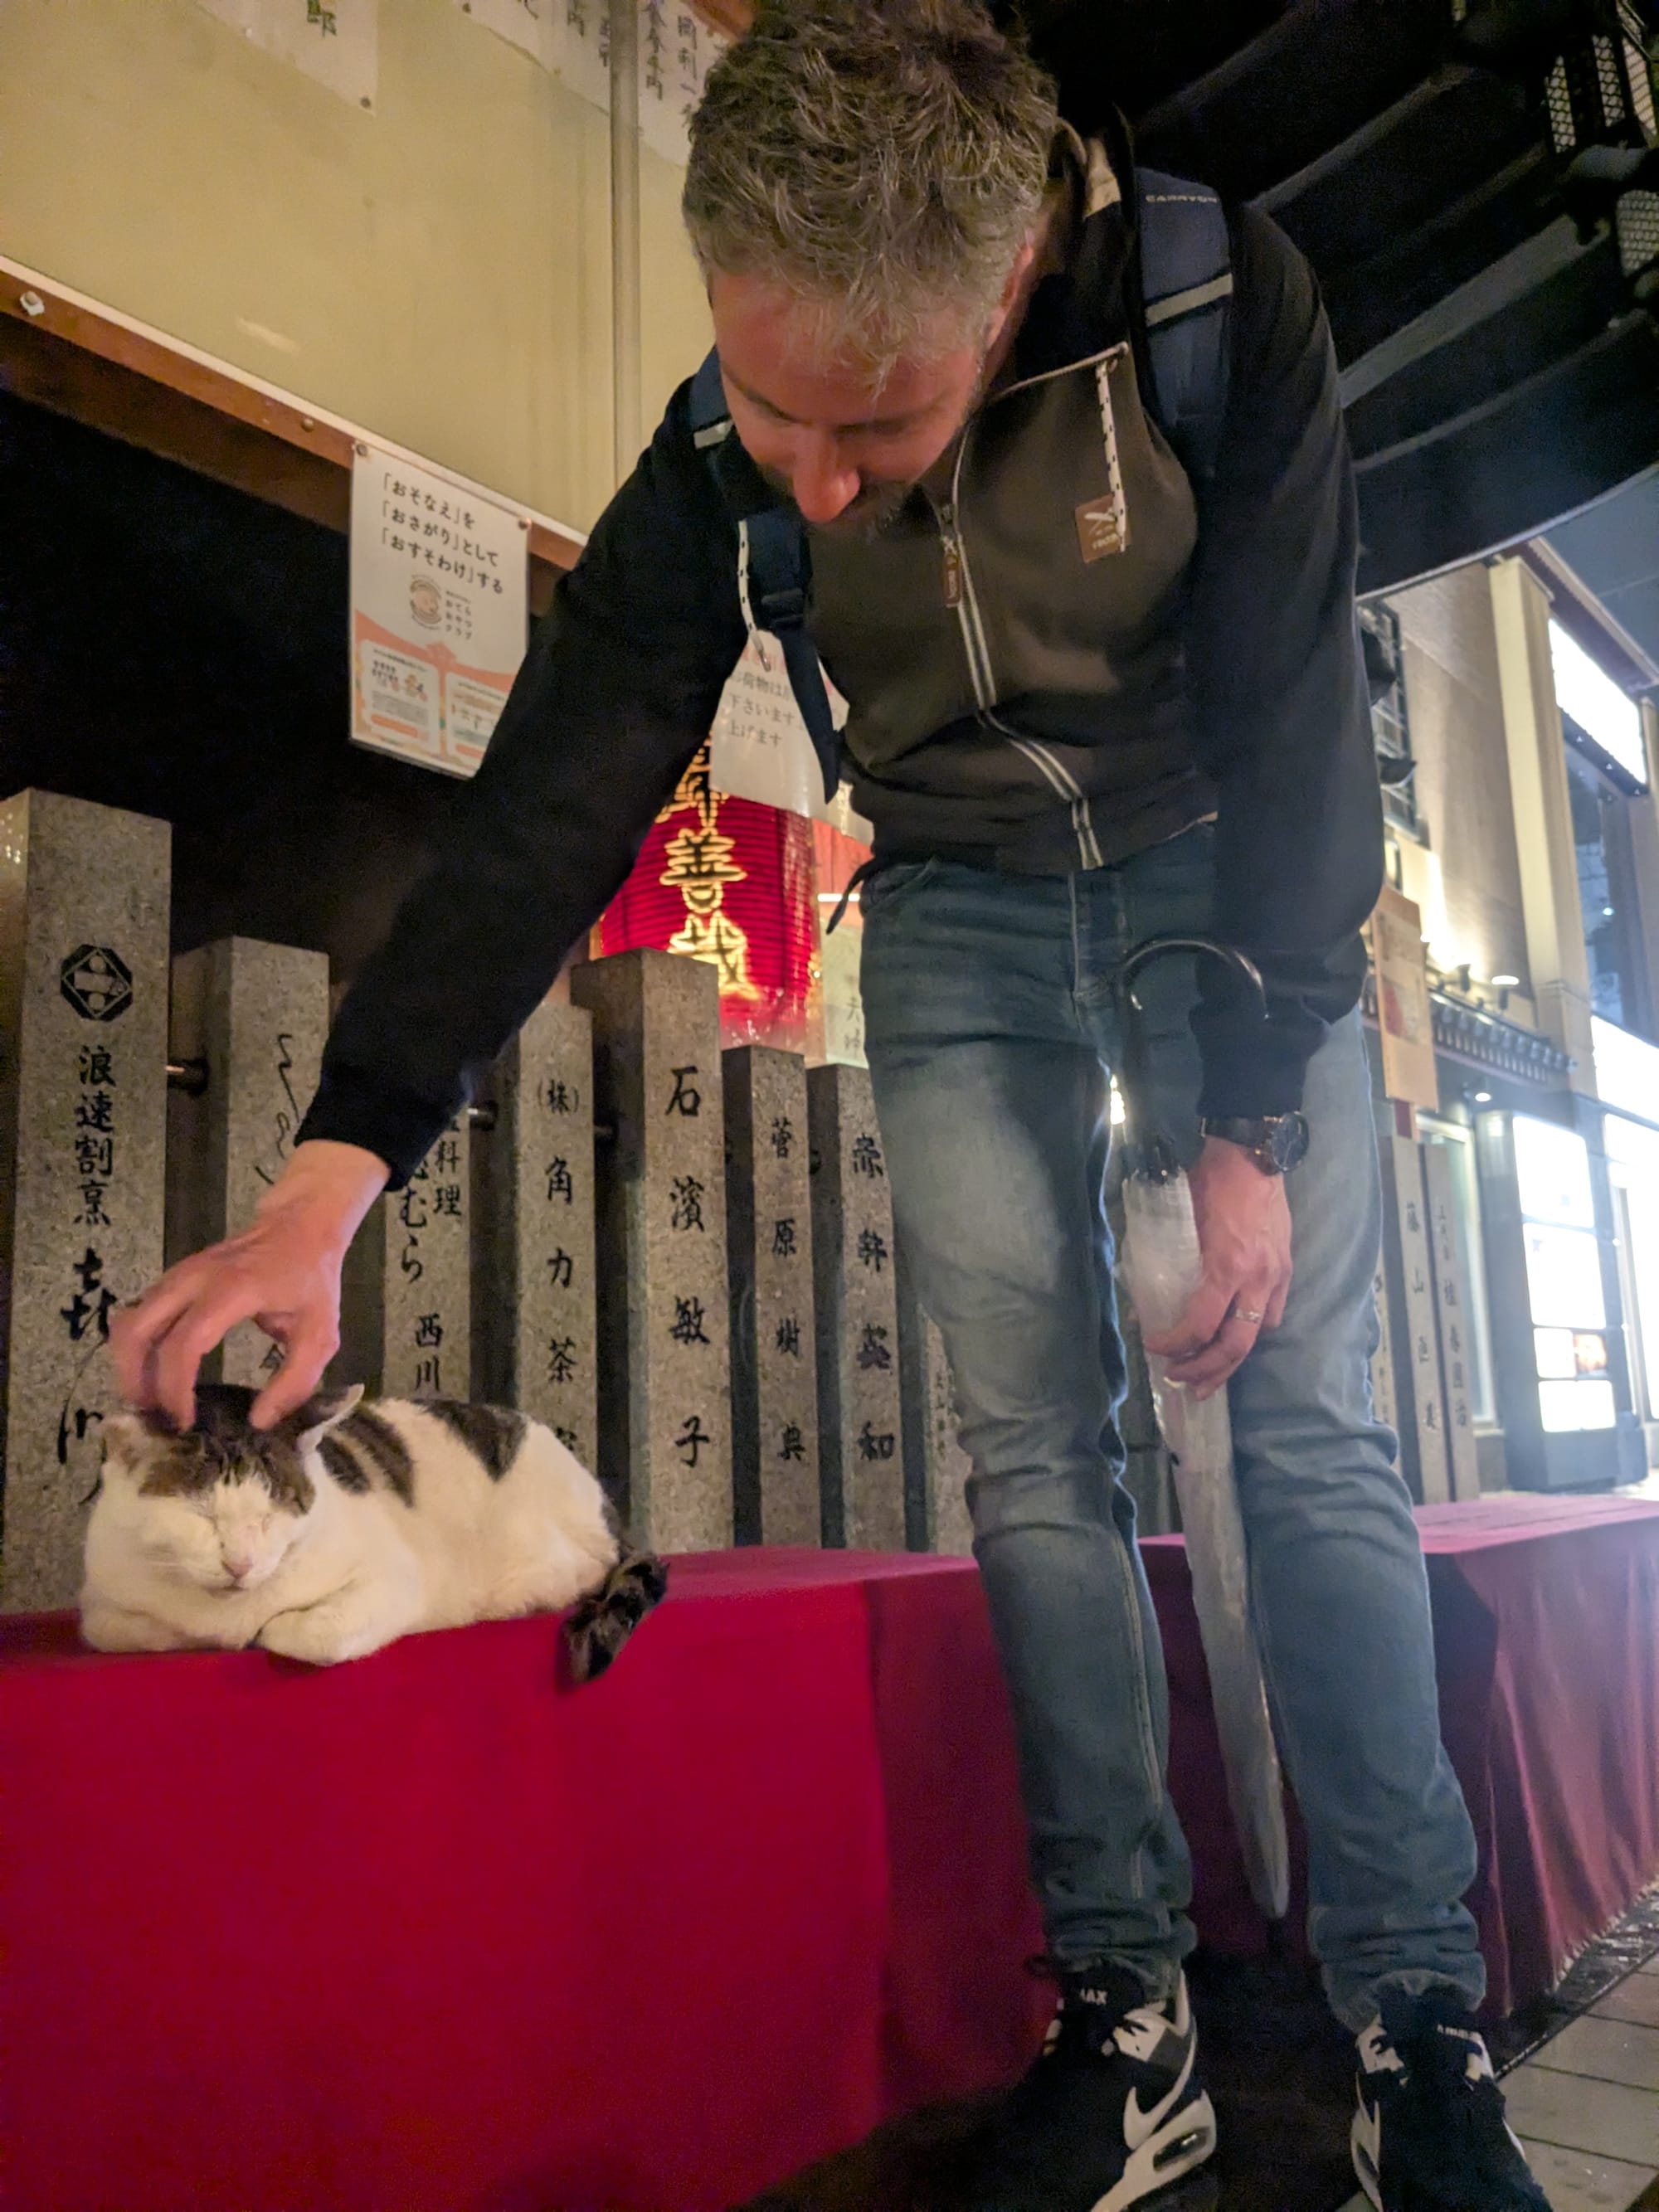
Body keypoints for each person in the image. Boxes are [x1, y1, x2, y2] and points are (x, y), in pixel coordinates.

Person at [114, 7, 1553, 2208]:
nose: (806, 477)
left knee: (1310, 1431)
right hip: (956, 898)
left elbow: (1295, 726)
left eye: (872, 424)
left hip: (1216, 878)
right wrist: (333, 1175)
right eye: (768, 402)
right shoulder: (727, 451)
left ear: (1007, 283)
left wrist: (1254, 1124)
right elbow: (563, 780)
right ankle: (1129, 2016)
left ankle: (1414, 2021)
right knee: (1032, 1468)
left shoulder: (1207, 305)